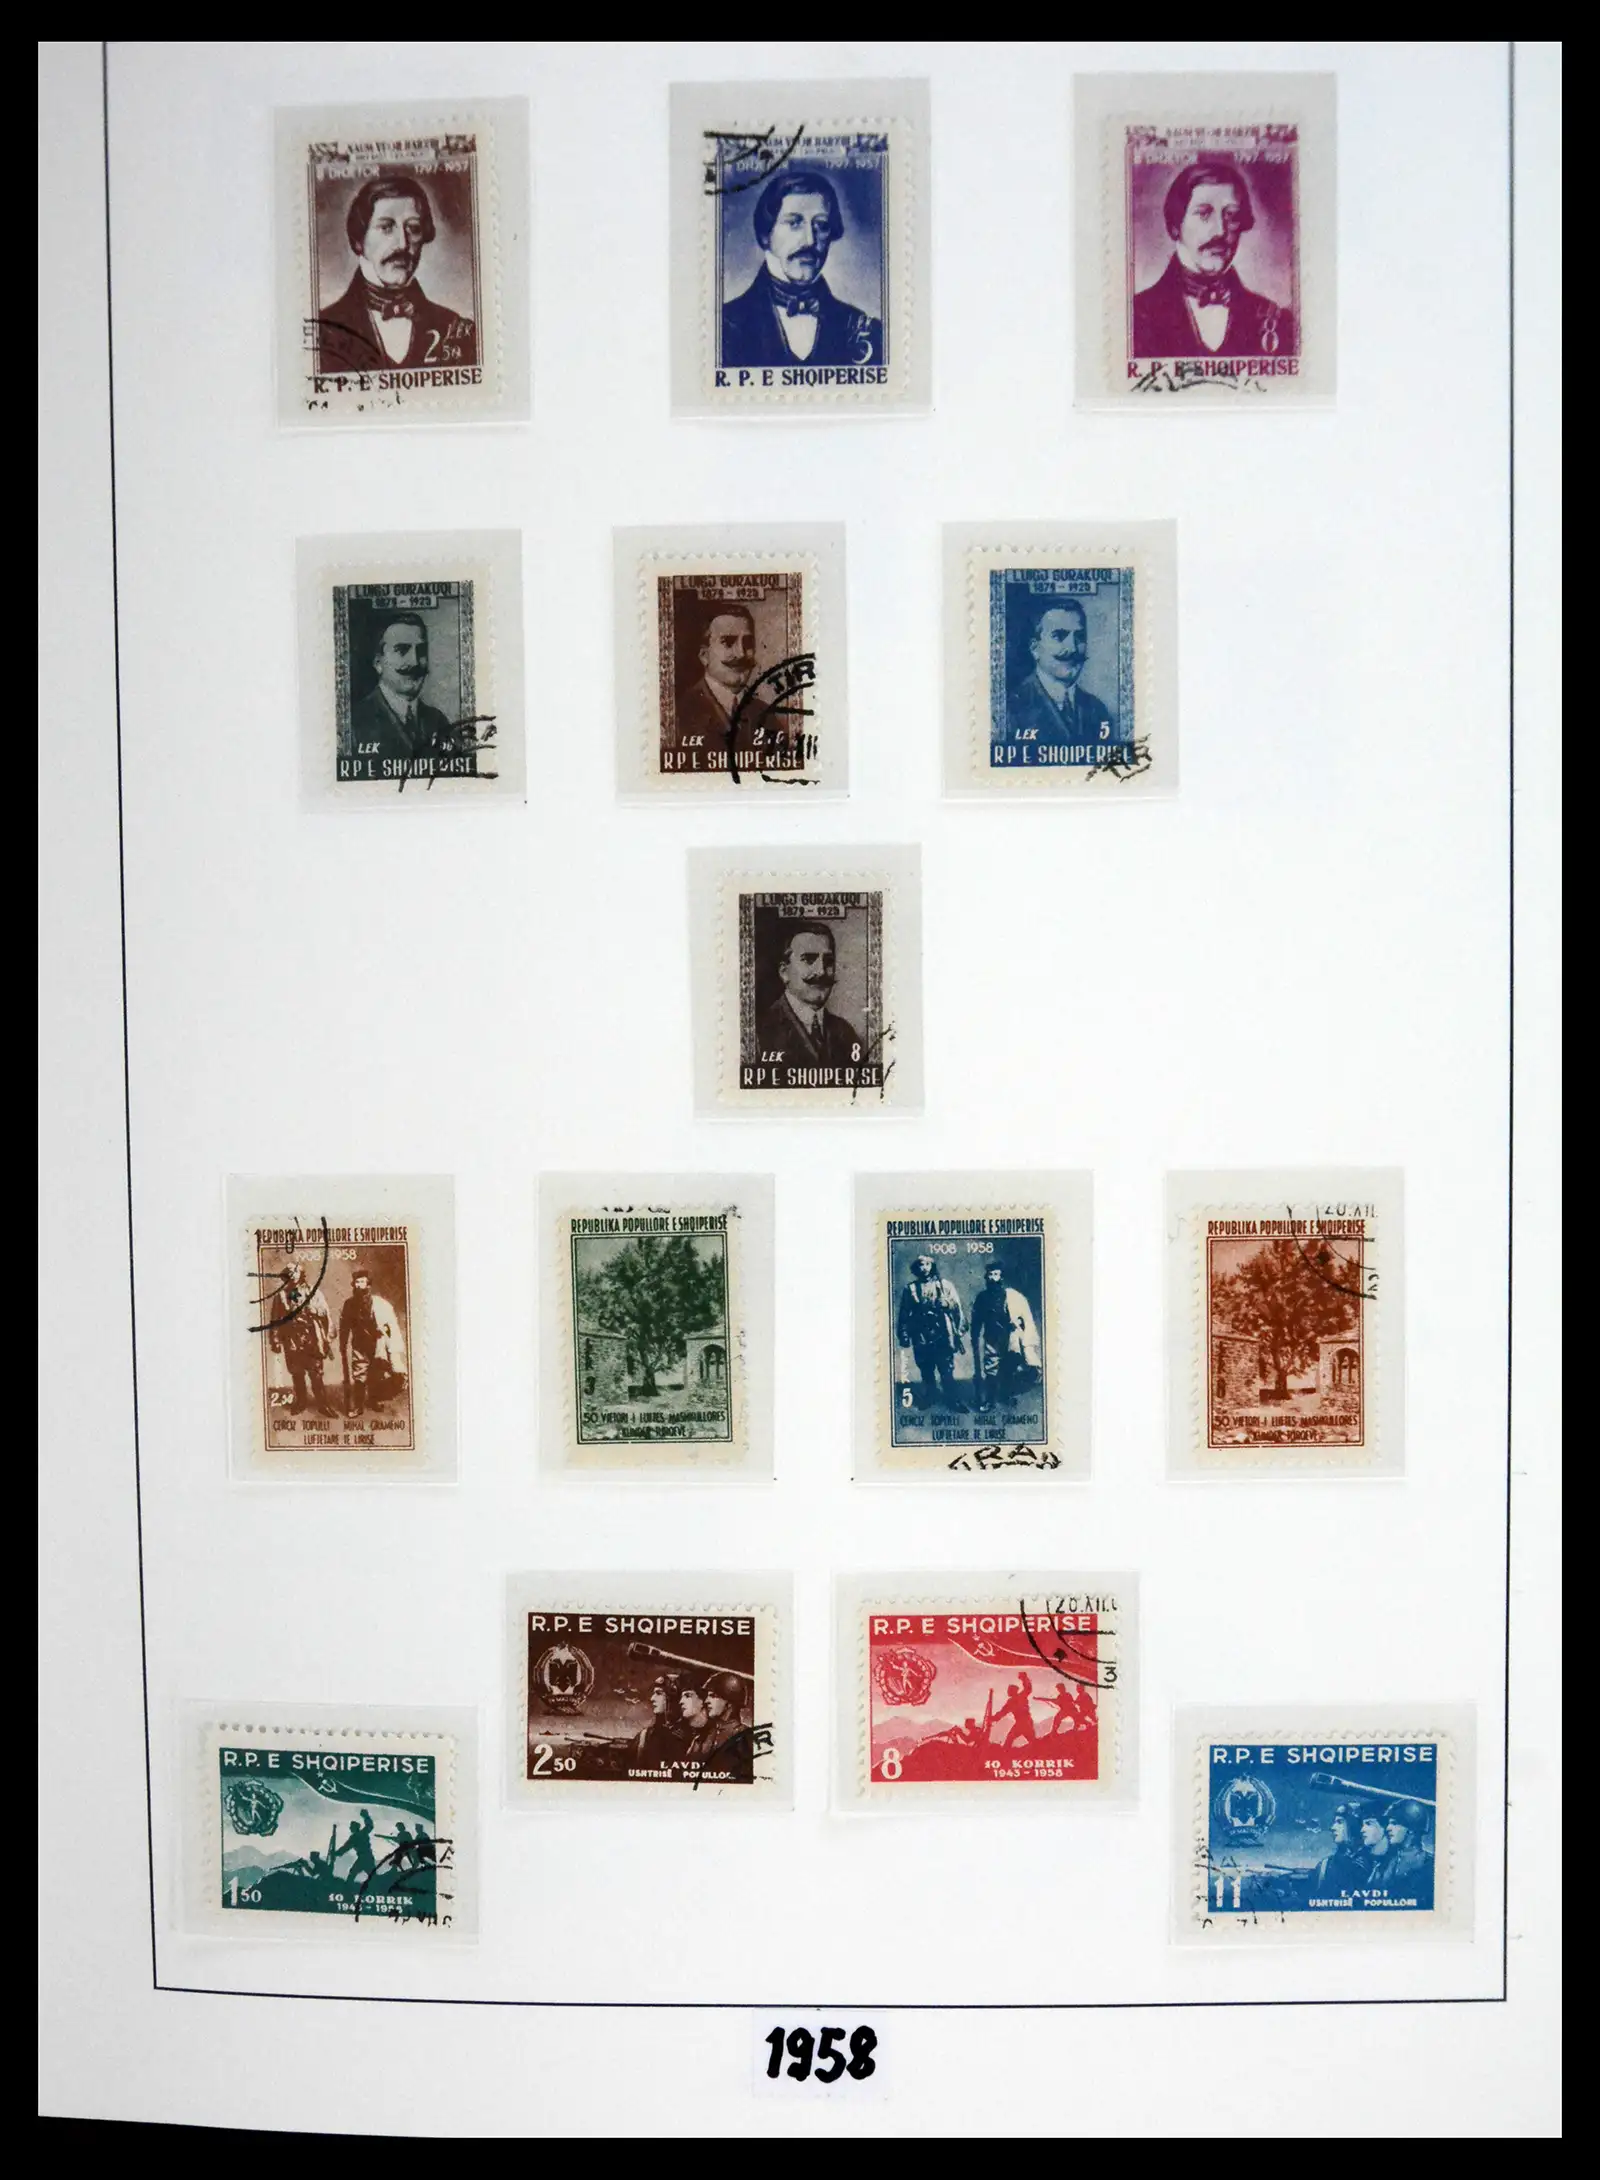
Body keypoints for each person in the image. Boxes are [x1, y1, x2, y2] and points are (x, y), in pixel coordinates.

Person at [1130, 159, 1295, 360]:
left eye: (1231, 216)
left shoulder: (1276, 321)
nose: (1220, 231)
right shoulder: (1135, 317)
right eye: (1204, 214)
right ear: (1175, 225)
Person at [316, 172, 478, 375]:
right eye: (386, 227)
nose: (402, 243)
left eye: (413, 228)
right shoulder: (324, 331)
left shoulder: (454, 329)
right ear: (359, 240)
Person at [721, 168, 883, 368]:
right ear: (766, 235)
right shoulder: (724, 327)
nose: (810, 240)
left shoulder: (866, 331)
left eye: (821, 225)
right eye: (794, 223)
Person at [347, 612, 454, 768]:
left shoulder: (438, 721)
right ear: (378, 663)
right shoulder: (353, 724)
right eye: (402, 650)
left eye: (421, 650)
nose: (415, 661)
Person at [1005, 600, 1116, 748]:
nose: (1072, 648)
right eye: (1059, 636)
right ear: (1035, 648)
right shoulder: (1010, 708)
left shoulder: (1097, 710)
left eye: (1079, 636)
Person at [756, 921, 863, 1069]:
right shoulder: (758, 1032)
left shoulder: (845, 1033)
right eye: (809, 959)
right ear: (784, 972)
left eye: (828, 961)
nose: (821, 971)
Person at [674, 604, 765, 746]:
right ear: (704, 655)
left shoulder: (767, 715)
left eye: (748, 643)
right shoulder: (678, 716)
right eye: (728, 642)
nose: (741, 653)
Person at [267, 1258, 338, 1418]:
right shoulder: (281, 1296)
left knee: (316, 1373)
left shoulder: (313, 1291)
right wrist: (275, 1340)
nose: (293, 1275)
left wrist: (315, 1311)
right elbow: (275, 1319)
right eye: (290, 1273)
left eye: (296, 1272)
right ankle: (301, 1402)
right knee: (297, 1372)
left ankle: (323, 1405)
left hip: (312, 1338)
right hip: (292, 1339)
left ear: (301, 1274)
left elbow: (325, 1312)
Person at [969, 1263, 1042, 1415]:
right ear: (986, 1277)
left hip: (1010, 1337)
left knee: (1009, 1366)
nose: (992, 1277)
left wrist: (1018, 1326)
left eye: (996, 1274)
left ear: (1001, 1277)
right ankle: (990, 1400)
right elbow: (976, 1319)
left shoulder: (1012, 1296)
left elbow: (1023, 1317)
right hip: (992, 1337)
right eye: (990, 1274)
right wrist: (974, 1335)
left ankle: (1005, 1395)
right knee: (991, 1368)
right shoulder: (982, 1298)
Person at [895, 1255, 967, 1409]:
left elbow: (957, 1307)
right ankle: (931, 1395)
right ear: (916, 1268)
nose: (924, 1268)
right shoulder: (911, 1289)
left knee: (946, 1367)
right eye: (921, 1265)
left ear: (932, 1266)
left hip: (942, 1333)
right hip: (921, 1333)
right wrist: (904, 1334)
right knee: (926, 1367)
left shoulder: (945, 1285)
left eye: (928, 1264)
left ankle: (952, 1399)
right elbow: (904, 1313)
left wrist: (947, 1304)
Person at [338, 1265, 407, 1419]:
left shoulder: (380, 1305)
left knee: (376, 1375)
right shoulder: (349, 1304)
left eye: (362, 1282)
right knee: (360, 1375)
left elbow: (390, 1326)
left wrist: (386, 1339)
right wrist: (342, 1344)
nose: (359, 1285)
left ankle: (373, 1400)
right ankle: (358, 1406)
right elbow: (344, 1326)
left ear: (368, 1284)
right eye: (357, 1282)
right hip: (359, 1345)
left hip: (377, 1345)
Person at [1313, 1804, 1369, 1897]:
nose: (1332, 1828)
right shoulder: (1325, 1865)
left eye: (1339, 1822)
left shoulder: (1369, 1865)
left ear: (1353, 1826)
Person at [633, 1673, 687, 1769]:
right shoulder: (645, 1736)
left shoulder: (689, 1737)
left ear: (672, 1699)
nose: (652, 1699)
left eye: (658, 1693)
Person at [1383, 1801, 1434, 1895]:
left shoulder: (1429, 1864)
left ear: (1411, 1829)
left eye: (1394, 1823)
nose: (1388, 1828)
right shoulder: (1389, 1861)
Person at [332, 1810, 378, 1884]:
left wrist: (336, 1853)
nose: (350, 1828)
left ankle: (348, 1886)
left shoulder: (356, 1836)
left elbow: (345, 1847)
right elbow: (370, 1826)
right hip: (368, 1857)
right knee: (371, 1875)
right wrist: (366, 1816)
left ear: (354, 1828)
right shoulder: (363, 1833)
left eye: (351, 1827)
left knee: (353, 1873)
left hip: (363, 1858)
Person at [994, 1674, 1037, 1750]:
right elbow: (1003, 1712)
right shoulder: (1018, 1698)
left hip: (1022, 1722)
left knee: (1009, 1740)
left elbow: (1003, 1712)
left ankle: (1005, 1753)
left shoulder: (1015, 1699)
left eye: (1009, 1690)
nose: (1008, 1691)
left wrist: (994, 1718)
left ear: (1012, 1691)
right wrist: (1024, 1678)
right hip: (1027, 1721)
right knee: (1033, 1742)